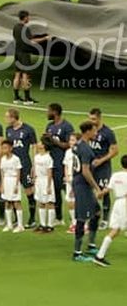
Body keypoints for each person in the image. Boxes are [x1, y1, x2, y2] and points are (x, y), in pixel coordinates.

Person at [72, 121, 104, 262]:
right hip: (82, 185)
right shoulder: (84, 148)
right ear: (87, 132)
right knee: (82, 217)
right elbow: (85, 171)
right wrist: (97, 188)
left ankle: (91, 244)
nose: (96, 133)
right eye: (94, 131)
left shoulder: (79, 145)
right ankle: (77, 253)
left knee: (96, 212)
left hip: (82, 184)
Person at [5, 108, 38, 228]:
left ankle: (32, 218)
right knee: (12, 191)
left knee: (29, 190)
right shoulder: (8, 130)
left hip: (25, 163)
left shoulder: (28, 129)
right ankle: (15, 218)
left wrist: (34, 164)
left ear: (14, 118)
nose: (6, 119)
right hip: (12, 165)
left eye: (7, 117)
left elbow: (34, 146)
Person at [93, 155, 127, 267]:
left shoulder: (115, 175)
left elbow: (107, 189)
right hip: (125, 204)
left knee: (115, 230)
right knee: (116, 230)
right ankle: (99, 256)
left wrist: (99, 194)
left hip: (117, 203)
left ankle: (100, 255)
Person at [87, 108, 118, 229]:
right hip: (90, 167)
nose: (91, 121)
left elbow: (115, 151)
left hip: (103, 167)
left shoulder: (108, 132)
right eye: (90, 118)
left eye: (94, 119)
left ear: (99, 118)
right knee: (90, 191)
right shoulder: (89, 131)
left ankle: (105, 219)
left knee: (104, 192)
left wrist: (101, 160)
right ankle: (93, 215)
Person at [45, 103, 74, 226]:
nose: (47, 113)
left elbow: (68, 144)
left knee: (67, 191)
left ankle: (75, 218)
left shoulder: (67, 126)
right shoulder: (49, 126)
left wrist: (53, 140)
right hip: (52, 163)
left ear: (55, 112)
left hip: (63, 163)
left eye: (49, 111)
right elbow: (49, 143)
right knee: (55, 190)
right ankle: (59, 217)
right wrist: (45, 140)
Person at [12, 10, 48, 105]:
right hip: (24, 54)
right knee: (25, 76)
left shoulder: (15, 27)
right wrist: (45, 38)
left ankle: (16, 97)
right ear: (25, 17)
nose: (29, 19)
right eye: (28, 17)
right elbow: (31, 41)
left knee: (17, 75)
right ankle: (27, 99)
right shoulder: (25, 29)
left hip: (17, 53)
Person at [0, 139, 24, 233]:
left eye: (5, 148)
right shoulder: (2, 159)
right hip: (6, 181)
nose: (4, 149)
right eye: (3, 148)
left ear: (11, 148)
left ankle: (20, 225)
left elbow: (18, 172)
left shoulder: (16, 159)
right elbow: (2, 172)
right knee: (7, 202)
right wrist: (2, 184)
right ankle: (9, 224)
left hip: (13, 180)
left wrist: (17, 185)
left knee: (16, 203)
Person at [33, 137, 56, 232]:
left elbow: (49, 172)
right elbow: (34, 168)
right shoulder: (37, 156)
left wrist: (49, 186)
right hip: (39, 180)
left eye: (40, 142)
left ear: (44, 145)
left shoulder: (48, 158)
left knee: (49, 202)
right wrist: (34, 179)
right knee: (41, 202)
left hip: (46, 180)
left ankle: (50, 225)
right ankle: (42, 224)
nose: (38, 144)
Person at [64, 133, 79, 233]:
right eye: (70, 140)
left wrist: (75, 180)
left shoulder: (79, 153)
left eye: (73, 140)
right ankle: (74, 222)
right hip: (69, 180)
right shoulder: (68, 152)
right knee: (69, 201)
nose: (71, 142)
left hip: (77, 181)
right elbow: (65, 165)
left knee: (77, 202)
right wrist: (66, 176)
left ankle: (81, 224)